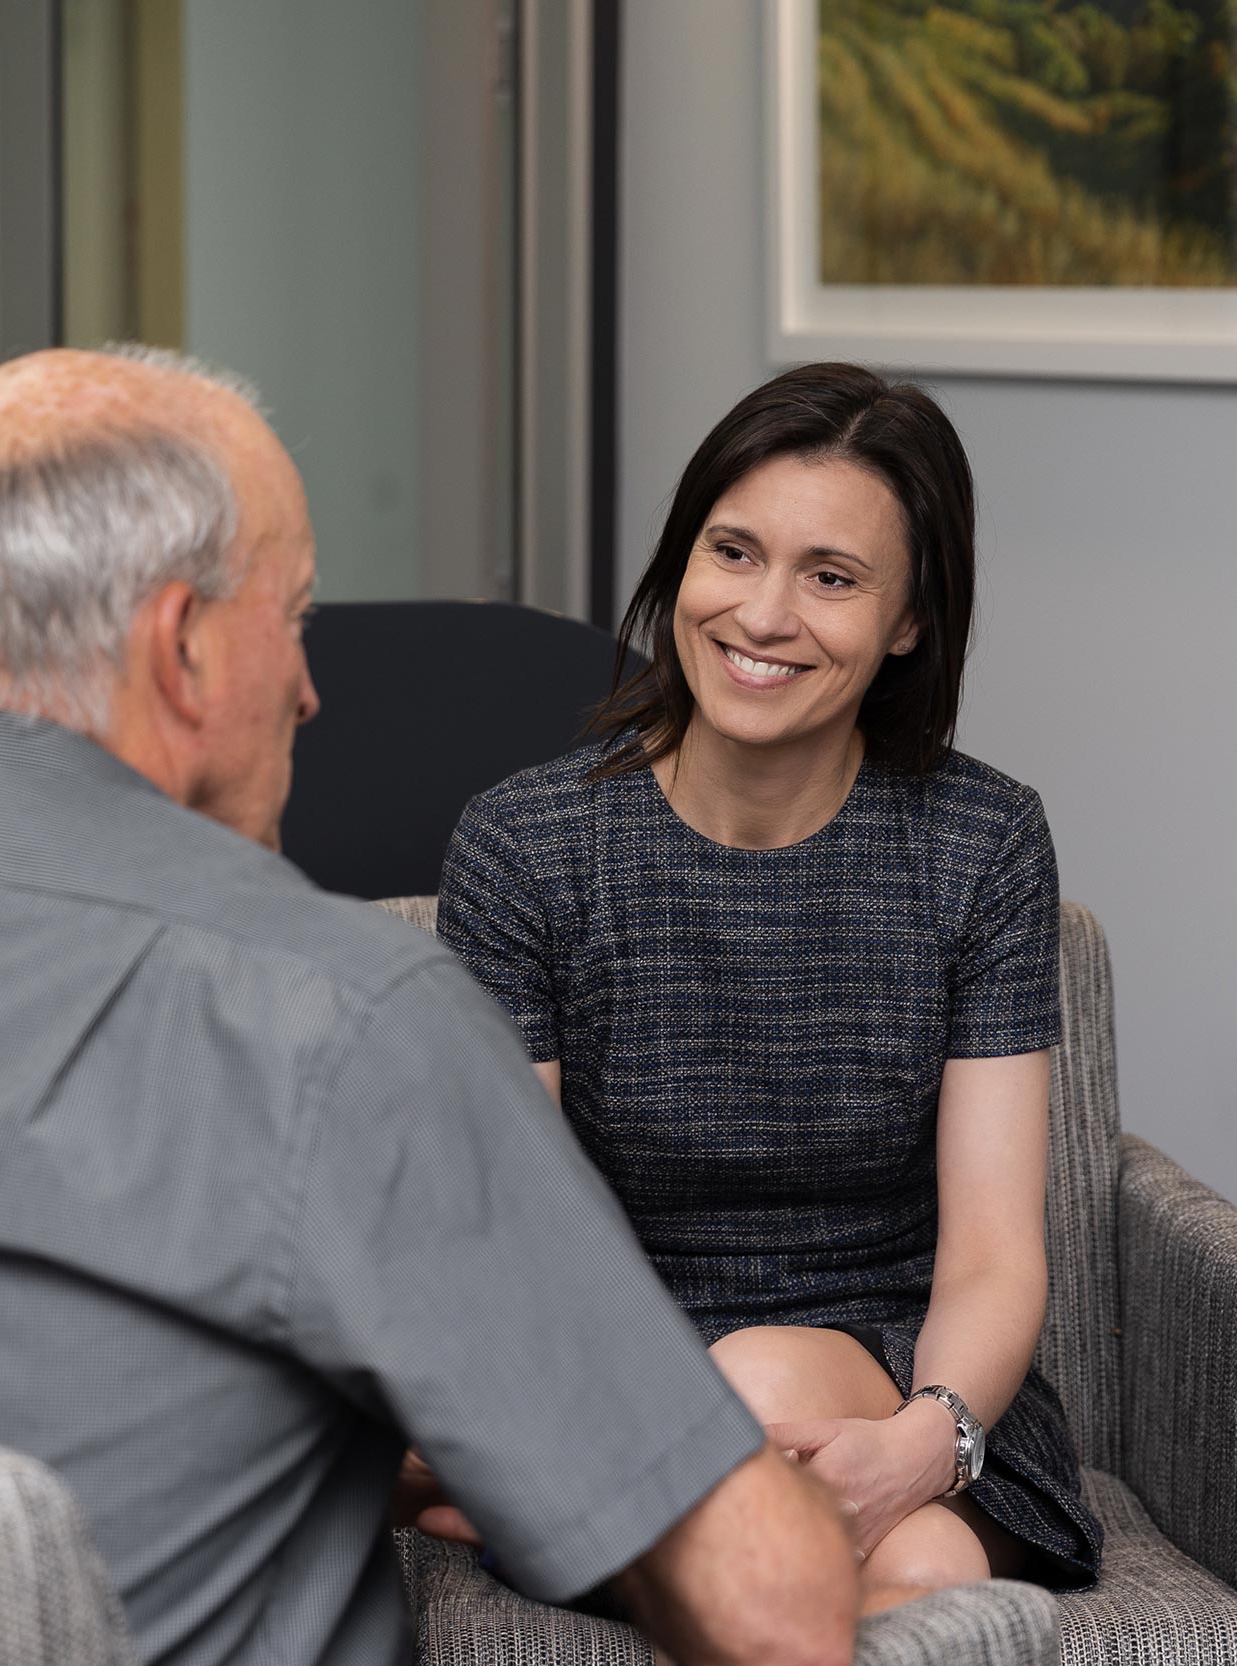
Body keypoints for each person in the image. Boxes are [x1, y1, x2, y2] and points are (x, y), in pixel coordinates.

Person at [0, 347, 859, 1666]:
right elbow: (773, 1608)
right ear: (183, 647)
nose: (310, 687)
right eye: (294, 615)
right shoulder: (331, 1016)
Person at [437, 362, 1104, 1612]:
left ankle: (589, 1507)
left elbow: (992, 1257)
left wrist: (926, 1441)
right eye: (732, 552)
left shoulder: (982, 842)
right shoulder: (525, 846)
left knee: (851, 1477)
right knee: (919, 1574)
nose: (763, 614)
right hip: (624, 1379)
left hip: (913, 1375)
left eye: (831, 577)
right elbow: (519, 1249)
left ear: (909, 620)